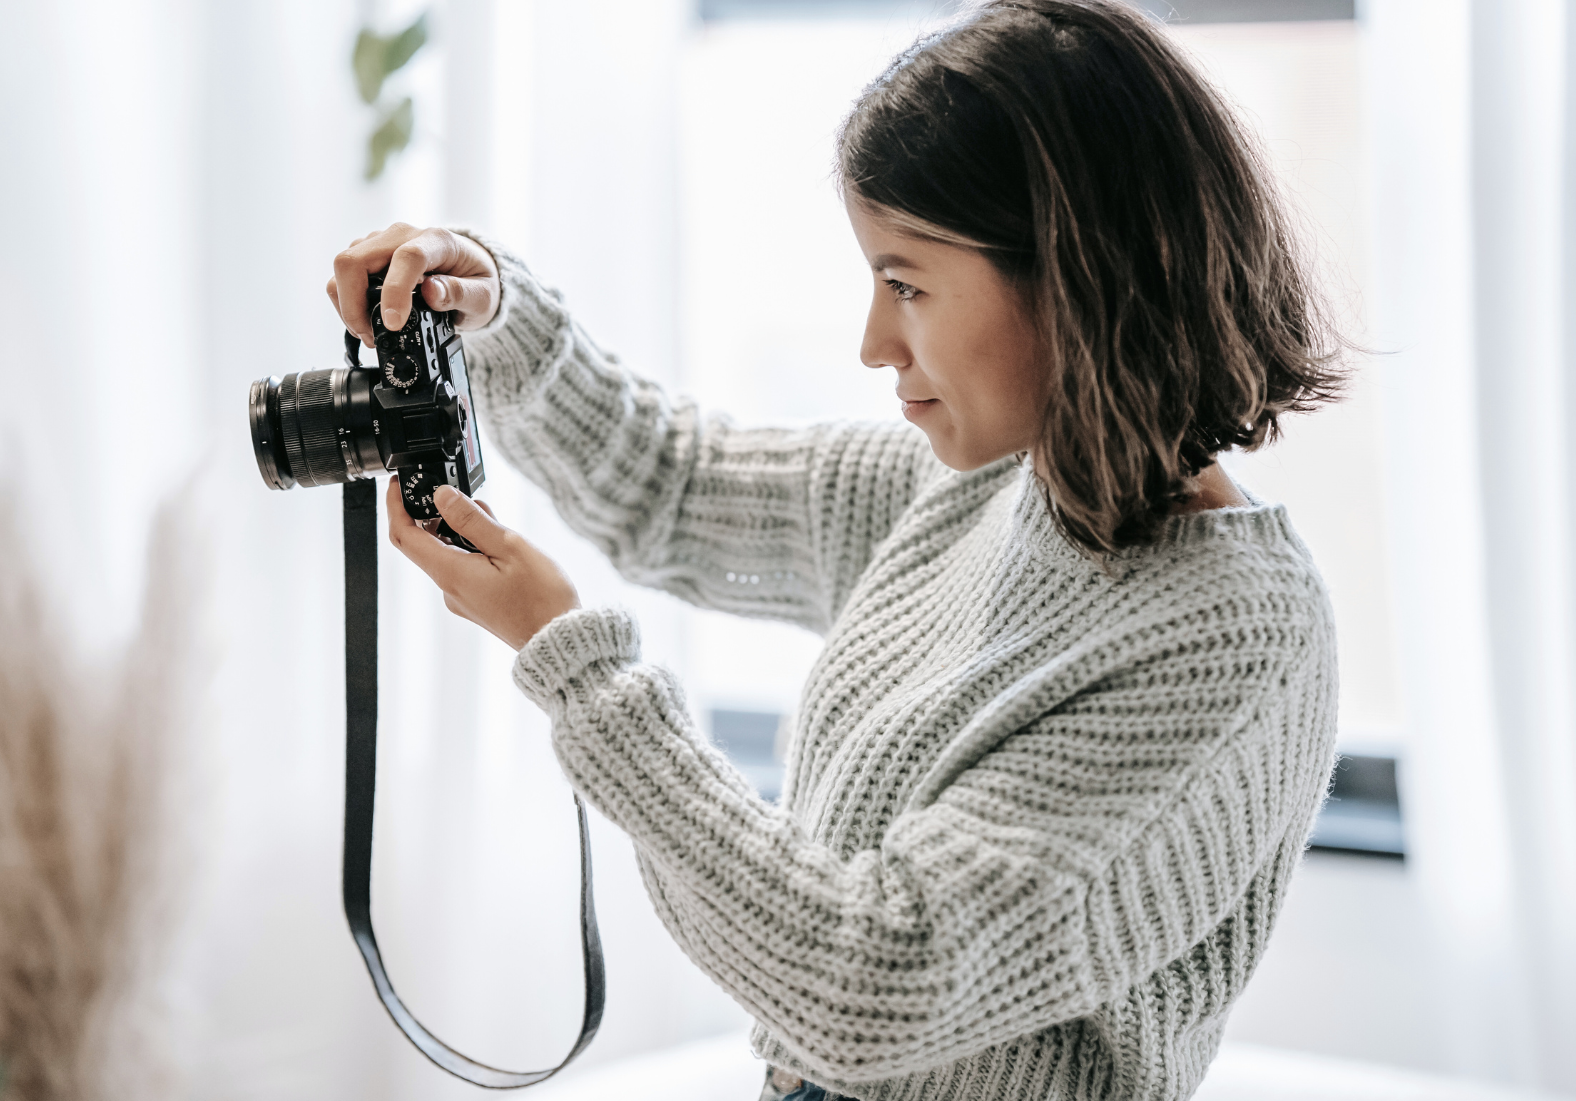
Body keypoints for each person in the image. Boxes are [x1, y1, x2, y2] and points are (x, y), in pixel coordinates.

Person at [325, 1, 1345, 1098]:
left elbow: (871, 986)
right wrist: (494, 311)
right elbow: (672, 486)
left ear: (1077, 272)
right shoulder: (985, 487)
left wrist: (575, 667)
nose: (872, 341)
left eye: (905, 284)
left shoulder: (1230, 644)